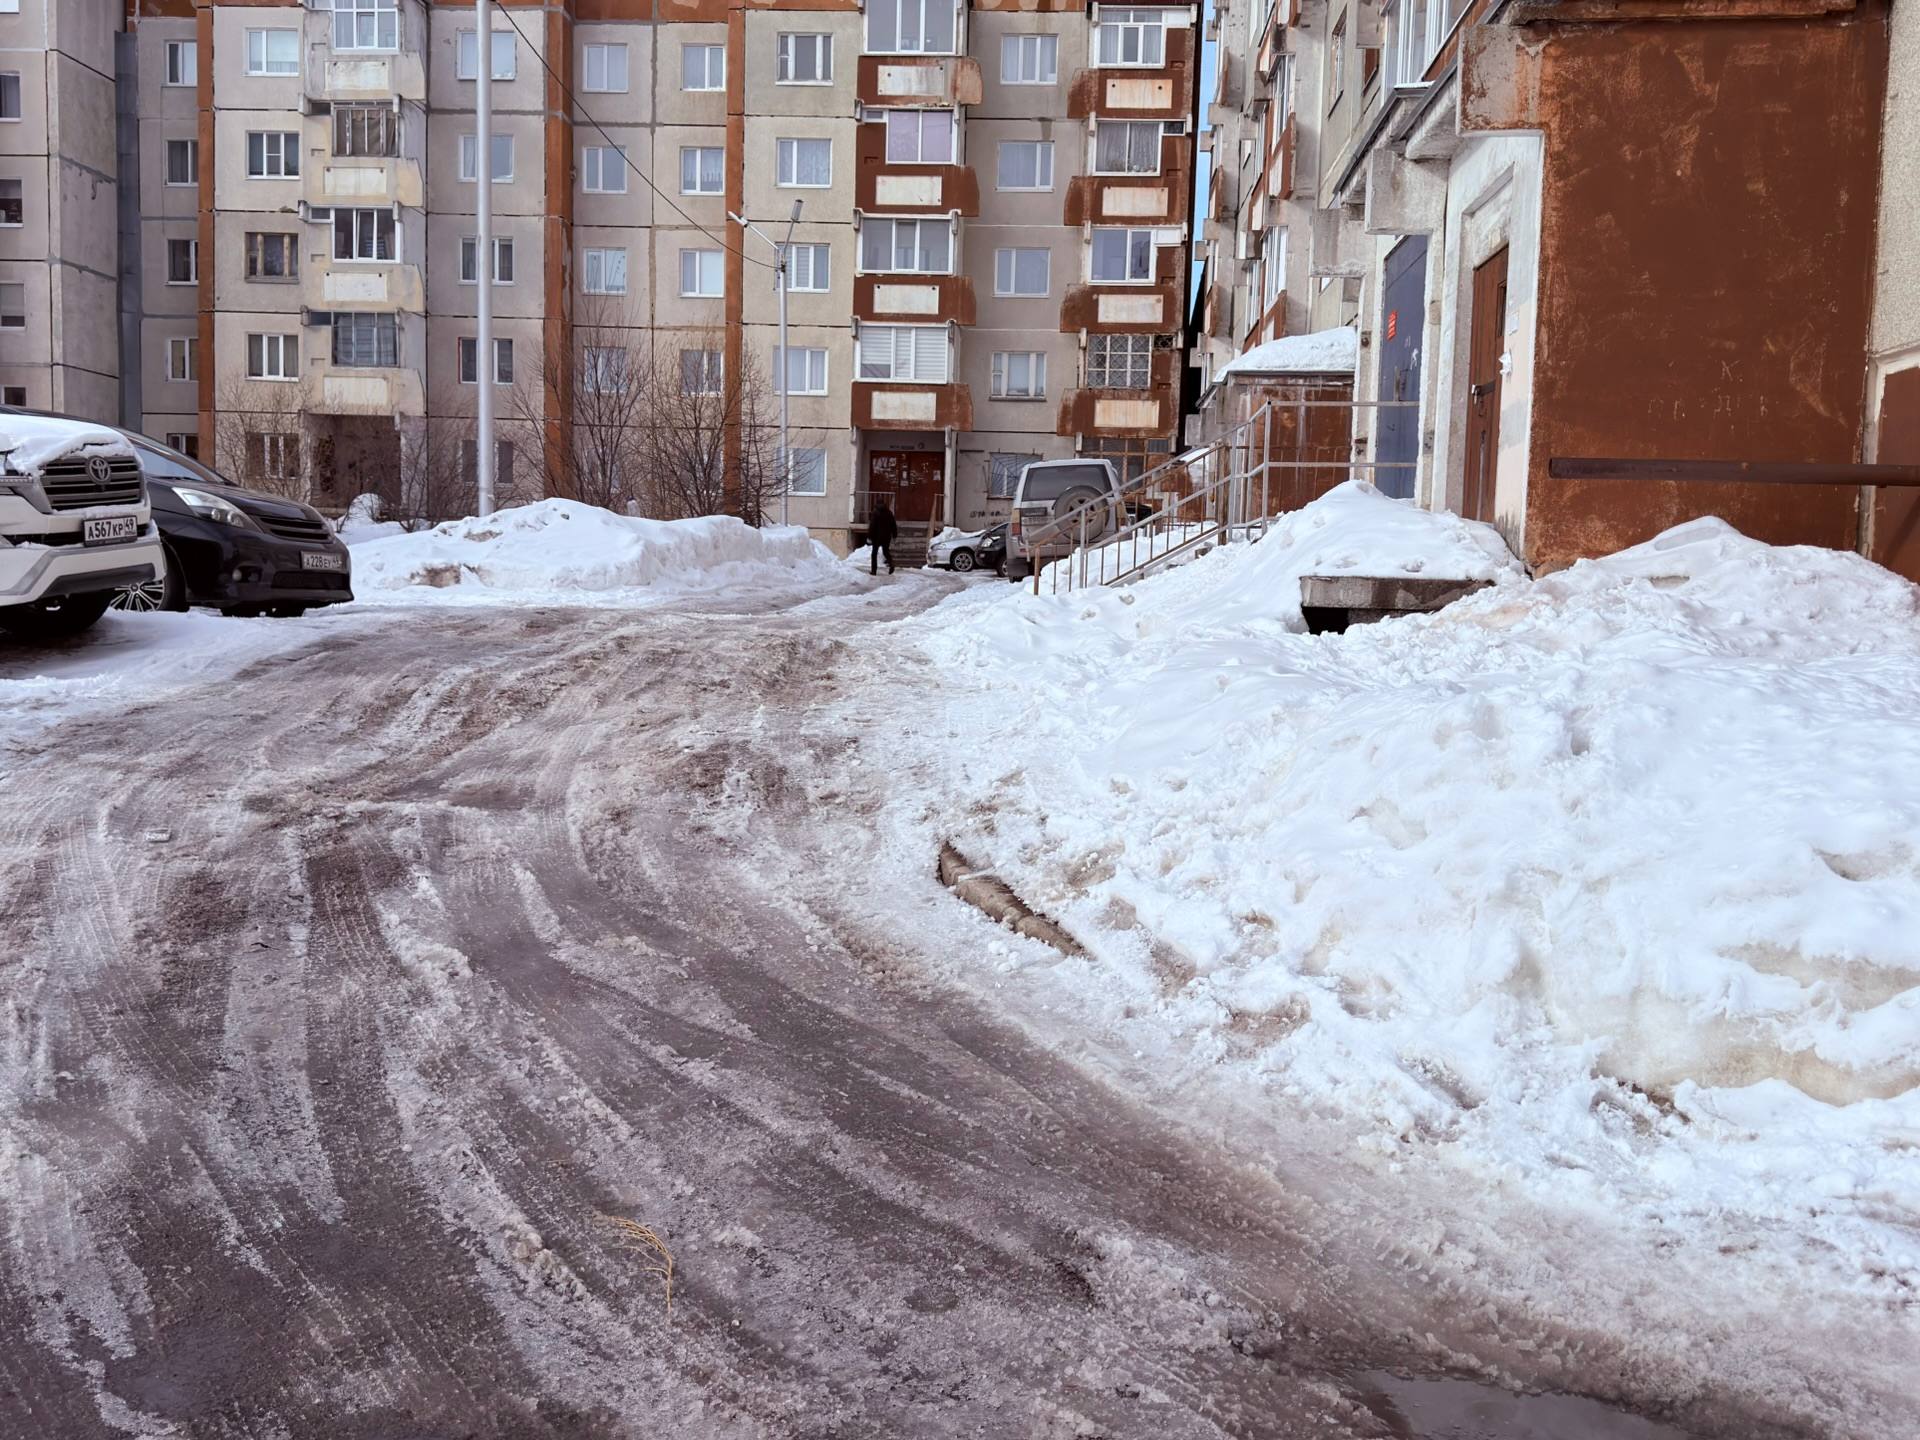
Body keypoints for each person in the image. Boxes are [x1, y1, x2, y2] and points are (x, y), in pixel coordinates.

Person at [868, 497, 898, 576]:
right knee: (886, 551)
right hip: (886, 536)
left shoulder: (875, 512)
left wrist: (870, 536)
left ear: (877, 504)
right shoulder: (889, 512)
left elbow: (872, 526)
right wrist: (894, 535)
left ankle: (873, 571)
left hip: (876, 537)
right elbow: (893, 524)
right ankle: (891, 564)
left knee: (874, 553)